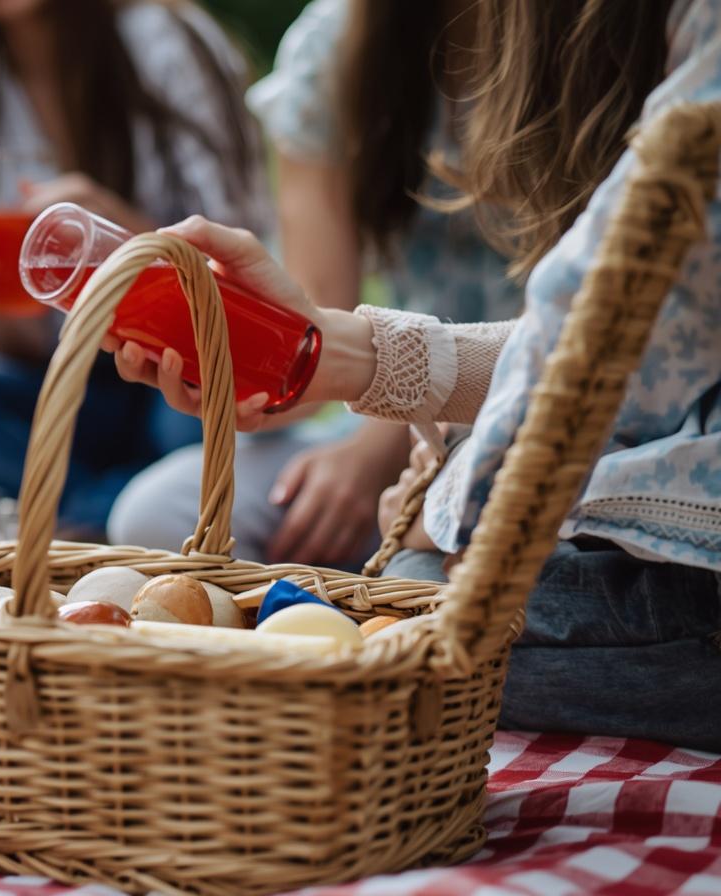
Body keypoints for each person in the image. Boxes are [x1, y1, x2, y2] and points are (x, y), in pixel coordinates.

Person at [115, 0, 721, 749]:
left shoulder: (640, 37)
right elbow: (604, 343)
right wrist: (309, 356)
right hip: (465, 421)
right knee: (155, 510)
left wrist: (450, 484)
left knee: (403, 615)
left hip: (540, 441)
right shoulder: (343, 49)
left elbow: (629, 357)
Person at [107, 0, 522, 568]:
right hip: (391, 408)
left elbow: (582, 346)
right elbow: (318, 324)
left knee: (428, 570)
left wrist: (374, 453)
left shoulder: (593, 40)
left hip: (547, 421)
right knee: (159, 510)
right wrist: (244, 368)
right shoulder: (338, 45)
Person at [0, 0, 271, 536]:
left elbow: (247, 287)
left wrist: (127, 237)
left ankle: (88, 516)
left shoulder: (163, 40)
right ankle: (111, 517)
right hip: (71, 383)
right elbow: (20, 346)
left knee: (195, 426)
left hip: (174, 370)